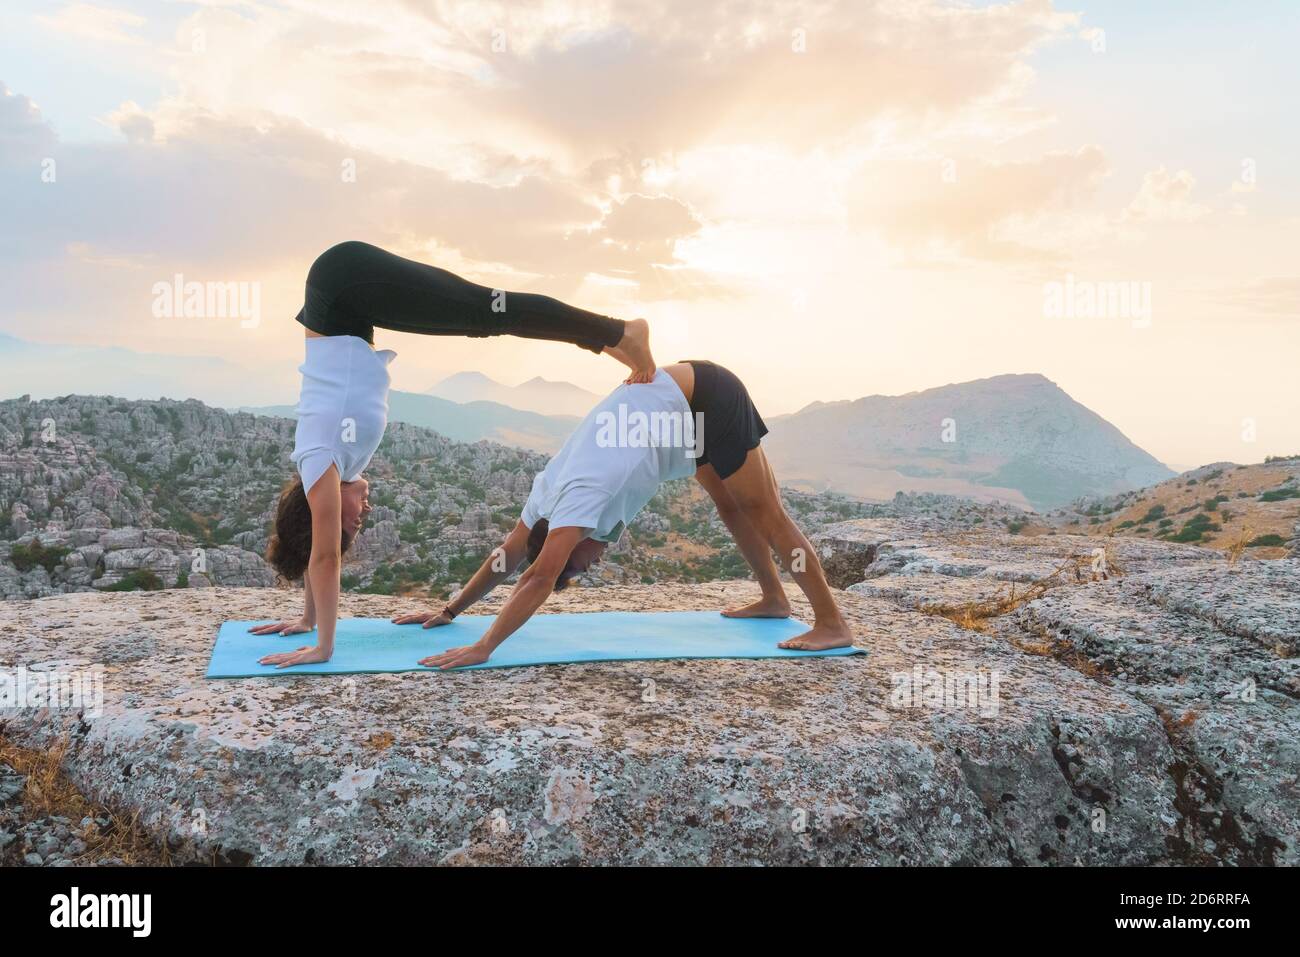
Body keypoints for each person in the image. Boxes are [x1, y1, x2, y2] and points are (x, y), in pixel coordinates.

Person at [254, 240, 656, 668]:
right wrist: (307, 619)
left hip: (342, 284)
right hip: (348, 304)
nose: (362, 516)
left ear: (319, 511)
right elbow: (322, 548)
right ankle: (609, 338)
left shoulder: (319, 459)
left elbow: (324, 555)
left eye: (351, 523)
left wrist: (323, 647)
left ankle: (620, 333)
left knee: (485, 311)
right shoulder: (336, 466)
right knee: (482, 316)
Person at [394, 360, 854, 668]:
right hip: (679, 415)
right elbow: (507, 557)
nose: (591, 565)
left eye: (577, 564)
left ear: (569, 540)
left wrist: (484, 647)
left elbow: (535, 575)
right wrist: (450, 609)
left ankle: (832, 624)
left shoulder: (579, 498)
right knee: (732, 508)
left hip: (704, 398)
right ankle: (775, 600)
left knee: (763, 510)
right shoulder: (544, 502)